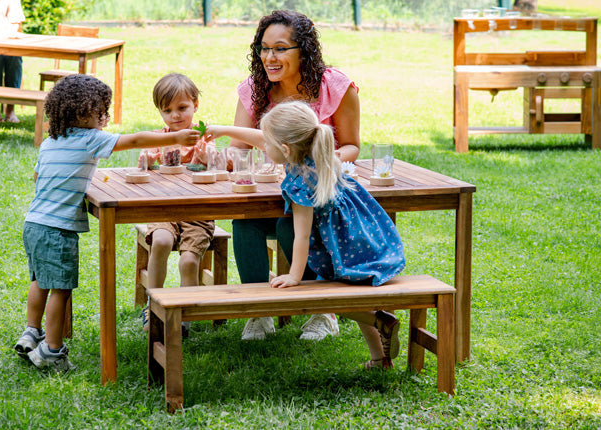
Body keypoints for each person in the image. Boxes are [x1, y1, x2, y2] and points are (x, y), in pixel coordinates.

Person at [14, 74, 200, 372]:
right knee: (60, 288)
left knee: (40, 281)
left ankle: (31, 331)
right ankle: (51, 350)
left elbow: (38, 177)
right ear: (83, 114)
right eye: (101, 110)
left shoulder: (52, 141)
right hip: (58, 229)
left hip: (34, 222)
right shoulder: (89, 138)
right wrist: (175, 138)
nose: (105, 117)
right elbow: (136, 140)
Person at [207, 101, 406, 368]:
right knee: (351, 292)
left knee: (328, 294)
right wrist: (221, 130)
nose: (264, 147)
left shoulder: (301, 181)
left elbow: (301, 236)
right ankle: (380, 360)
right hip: (362, 237)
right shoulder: (315, 152)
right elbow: (265, 139)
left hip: (343, 247)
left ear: (286, 149)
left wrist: (294, 276)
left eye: (268, 145)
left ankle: (380, 320)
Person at [228, 10, 361, 341]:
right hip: (269, 192)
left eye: (280, 48)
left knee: (290, 226)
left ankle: (321, 310)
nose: (269, 57)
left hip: (317, 195)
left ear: (304, 50)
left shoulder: (336, 87)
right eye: (263, 48)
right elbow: (238, 150)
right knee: (244, 223)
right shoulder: (254, 89)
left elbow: (351, 147)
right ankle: (259, 310)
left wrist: (313, 163)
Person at [138, 73, 216, 337]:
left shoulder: (203, 140)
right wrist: (146, 161)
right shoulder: (158, 140)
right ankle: (153, 305)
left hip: (198, 214)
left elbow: (220, 168)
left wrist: (209, 159)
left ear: (195, 105)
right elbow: (142, 168)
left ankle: (184, 317)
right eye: (167, 110)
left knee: (188, 262)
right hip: (164, 210)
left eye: (182, 108)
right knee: (159, 242)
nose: (175, 116)